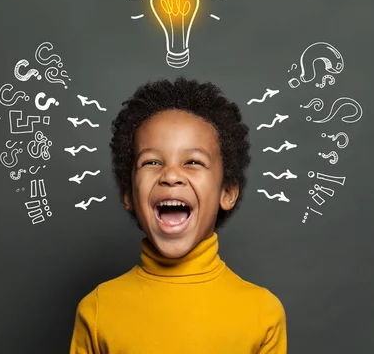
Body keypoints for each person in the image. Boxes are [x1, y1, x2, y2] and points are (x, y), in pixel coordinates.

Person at [70, 77, 287, 353]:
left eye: (193, 162)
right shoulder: (97, 309)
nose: (171, 175)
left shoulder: (262, 313)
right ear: (129, 196)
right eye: (152, 162)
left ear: (228, 192)